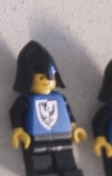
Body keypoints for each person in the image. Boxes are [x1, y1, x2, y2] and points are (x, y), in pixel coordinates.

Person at [10, 41, 86, 176]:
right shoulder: (26, 101)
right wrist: (19, 130)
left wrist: (74, 128)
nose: (47, 80)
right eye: (41, 77)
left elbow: (68, 115)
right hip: (38, 143)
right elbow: (15, 113)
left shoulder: (60, 98)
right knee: (42, 168)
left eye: (50, 76)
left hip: (63, 140)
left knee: (68, 167)